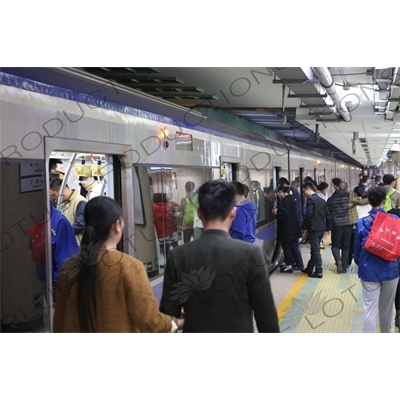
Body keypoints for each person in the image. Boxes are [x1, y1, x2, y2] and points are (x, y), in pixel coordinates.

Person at [160, 179, 279, 333]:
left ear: (199, 213)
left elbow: (168, 315)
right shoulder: (251, 254)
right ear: (233, 213)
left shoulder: (178, 255)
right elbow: (266, 314)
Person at [54, 196, 181, 333]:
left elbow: (59, 322)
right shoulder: (129, 267)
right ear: (117, 226)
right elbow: (150, 323)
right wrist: (175, 323)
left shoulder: (69, 268)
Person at [353, 186, 399, 333]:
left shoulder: (362, 222)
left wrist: (360, 263)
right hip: (391, 270)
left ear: (369, 201)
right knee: (386, 310)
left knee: (369, 310)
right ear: (385, 201)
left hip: (369, 271)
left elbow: (357, 250)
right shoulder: (395, 220)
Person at [28, 201, 80, 303]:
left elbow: (31, 245)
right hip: (50, 276)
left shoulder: (55, 221)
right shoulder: (56, 220)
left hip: (52, 276)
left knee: (57, 311)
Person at [301, 183, 332, 278]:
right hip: (321, 228)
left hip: (314, 229)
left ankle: (319, 270)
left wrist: (303, 226)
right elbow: (328, 215)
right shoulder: (322, 200)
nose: (303, 194)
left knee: (315, 250)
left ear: (307, 189)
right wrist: (328, 227)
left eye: (303, 192)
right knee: (315, 249)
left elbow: (309, 215)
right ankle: (310, 268)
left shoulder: (311, 200)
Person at [272, 185, 304, 273]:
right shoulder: (291, 198)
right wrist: (279, 210)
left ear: (281, 192)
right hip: (293, 227)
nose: (278, 195)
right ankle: (296, 264)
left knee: (286, 246)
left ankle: (290, 265)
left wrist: (276, 214)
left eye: (278, 193)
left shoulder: (285, 200)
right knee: (293, 245)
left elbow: (285, 213)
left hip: (287, 228)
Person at [49, 177, 87, 244]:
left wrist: (62, 232)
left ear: (62, 190)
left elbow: (81, 224)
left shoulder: (80, 201)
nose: (54, 198)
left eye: (54, 195)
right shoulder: (66, 202)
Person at [327, 182, 353, 273]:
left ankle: (338, 260)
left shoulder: (330, 199)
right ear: (346, 189)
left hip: (336, 225)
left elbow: (328, 214)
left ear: (337, 188)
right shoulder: (350, 197)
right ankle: (344, 267)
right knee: (346, 247)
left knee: (335, 246)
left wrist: (328, 226)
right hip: (348, 225)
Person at [152, 193, 181, 268]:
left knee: (165, 248)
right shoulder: (171, 204)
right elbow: (178, 210)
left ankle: (168, 263)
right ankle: (180, 260)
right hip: (172, 229)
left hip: (161, 231)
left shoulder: (155, 207)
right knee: (175, 245)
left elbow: (157, 217)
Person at [347, 186, 369, 269]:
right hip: (369, 228)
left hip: (355, 227)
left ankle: (349, 263)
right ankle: (365, 263)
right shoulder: (371, 203)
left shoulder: (354, 203)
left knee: (353, 246)